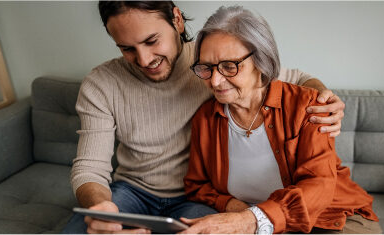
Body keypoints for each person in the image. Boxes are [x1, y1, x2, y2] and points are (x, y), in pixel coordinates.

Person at [63, 1, 346, 234]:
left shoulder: (210, 62)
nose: (145, 59)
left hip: (195, 197)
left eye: (152, 41)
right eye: (127, 48)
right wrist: (100, 206)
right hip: (130, 192)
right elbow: (89, 167)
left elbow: (290, 77)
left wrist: (323, 97)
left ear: (177, 20)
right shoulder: (101, 84)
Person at [182, 5, 380, 234]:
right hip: (263, 223)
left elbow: (319, 186)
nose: (215, 81)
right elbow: (197, 185)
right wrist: (234, 207)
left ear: (260, 61)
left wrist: (252, 219)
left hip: (331, 219)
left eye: (229, 66)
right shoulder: (206, 118)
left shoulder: (308, 106)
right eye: (206, 67)